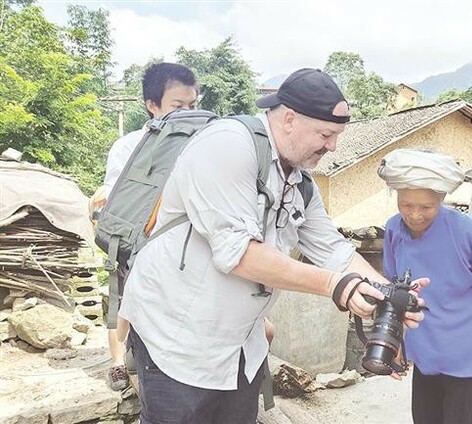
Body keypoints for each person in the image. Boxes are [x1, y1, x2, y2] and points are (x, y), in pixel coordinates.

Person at [117, 68, 427, 424]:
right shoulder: (226, 145)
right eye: (326, 134)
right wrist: (334, 286)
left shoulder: (299, 181)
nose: (333, 146)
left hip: (238, 348)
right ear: (290, 119)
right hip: (178, 340)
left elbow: (334, 250)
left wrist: (388, 292)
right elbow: (237, 254)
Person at [378, 148, 472, 424]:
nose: (415, 215)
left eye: (426, 207)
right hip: (426, 355)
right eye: (407, 205)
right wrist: (395, 342)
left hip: (470, 355)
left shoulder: (467, 233)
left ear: (441, 199)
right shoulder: (394, 231)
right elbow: (395, 292)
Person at [90, 62, 200, 391]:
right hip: (134, 241)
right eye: (178, 106)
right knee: (122, 301)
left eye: (193, 105)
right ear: (152, 106)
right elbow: (113, 196)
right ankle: (117, 364)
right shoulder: (130, 147)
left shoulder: (200, 144)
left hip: (179, 246)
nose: (187, 113)